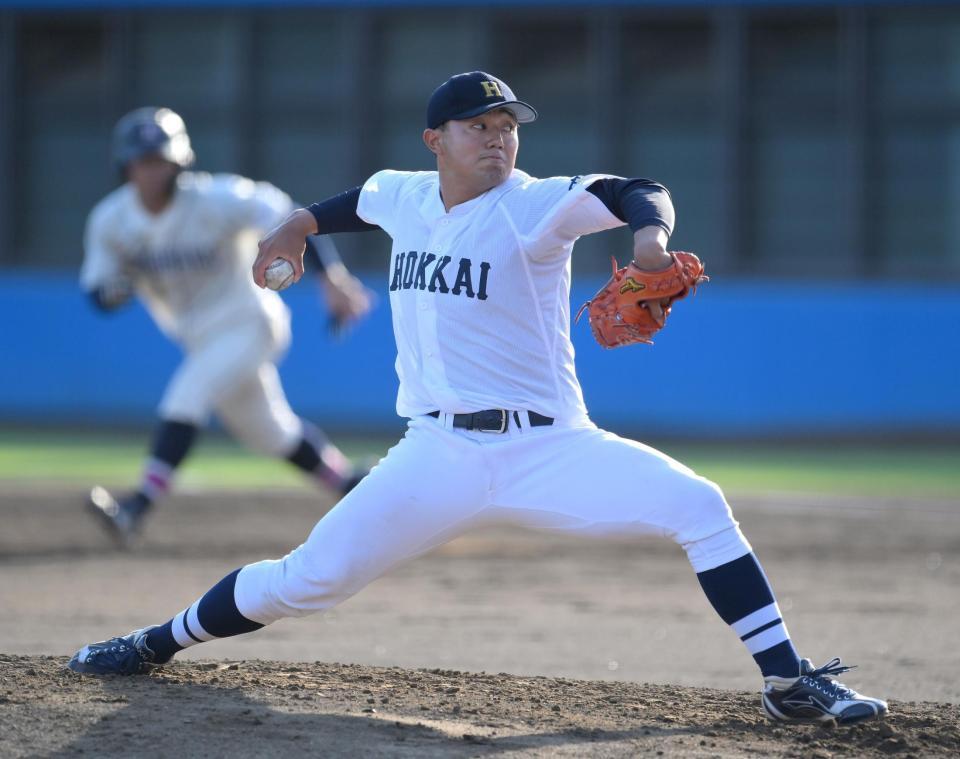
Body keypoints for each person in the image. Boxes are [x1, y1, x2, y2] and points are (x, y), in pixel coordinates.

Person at [68, 74, 887, 726]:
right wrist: (293, 231)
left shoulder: (534, 205)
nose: (498, 138)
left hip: (552, 447)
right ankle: (152, 641)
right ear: (437, 141)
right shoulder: (404, 193)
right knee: (305, 579)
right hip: (438, 452)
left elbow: (638, 186)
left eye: (508, 126)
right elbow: (342, 207)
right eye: (479, 126)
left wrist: (648, 243)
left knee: (701, 505)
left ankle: (786, 681)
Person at [80, 107, 373, 547]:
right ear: (125, 166)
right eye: (143, 163)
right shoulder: (111, 220)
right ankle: (353, 486)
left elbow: (289, 214)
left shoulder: (216, 198)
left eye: (159, 161)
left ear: (179, 162)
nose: (151, 172)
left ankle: (138, 506)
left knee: (188, 395)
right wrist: (113, 292)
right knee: (272, 432)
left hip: (251, 322)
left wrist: (330, 276)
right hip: (200, 339)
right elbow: (96, 292)